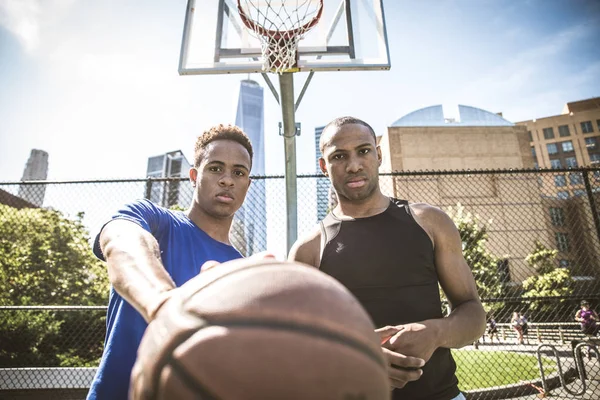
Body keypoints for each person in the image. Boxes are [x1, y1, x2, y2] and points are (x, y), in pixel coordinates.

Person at [289, 116, 486, 400]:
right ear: (324, 167)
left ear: (378, 154)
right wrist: (356, 360)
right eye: (339, 156)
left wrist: (436, 332)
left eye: (364, 151)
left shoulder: (431, 222)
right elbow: (296, 346)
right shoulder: (308, 249)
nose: (354, 165)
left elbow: (474, 314)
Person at [86, 124, 254, 400]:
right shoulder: (153, 219)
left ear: (247, 183)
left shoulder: (243, 272)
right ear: (193, 175)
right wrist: (164, 304)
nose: (227, 180)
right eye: (215, 168)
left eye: (238, 172)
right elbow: (120, 240)